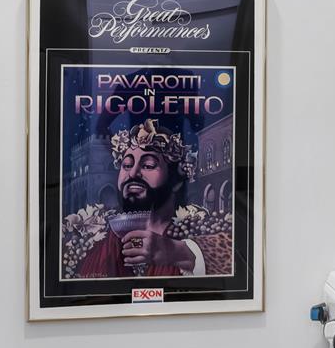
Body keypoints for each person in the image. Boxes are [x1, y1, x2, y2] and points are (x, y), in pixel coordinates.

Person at [66, 119, 231, 278]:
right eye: (127, 165)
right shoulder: (96, 235)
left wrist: (179, 252)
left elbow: (234, 263)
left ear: (177, 181)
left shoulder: (205, 228)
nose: (133, 173)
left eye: (148, 165)